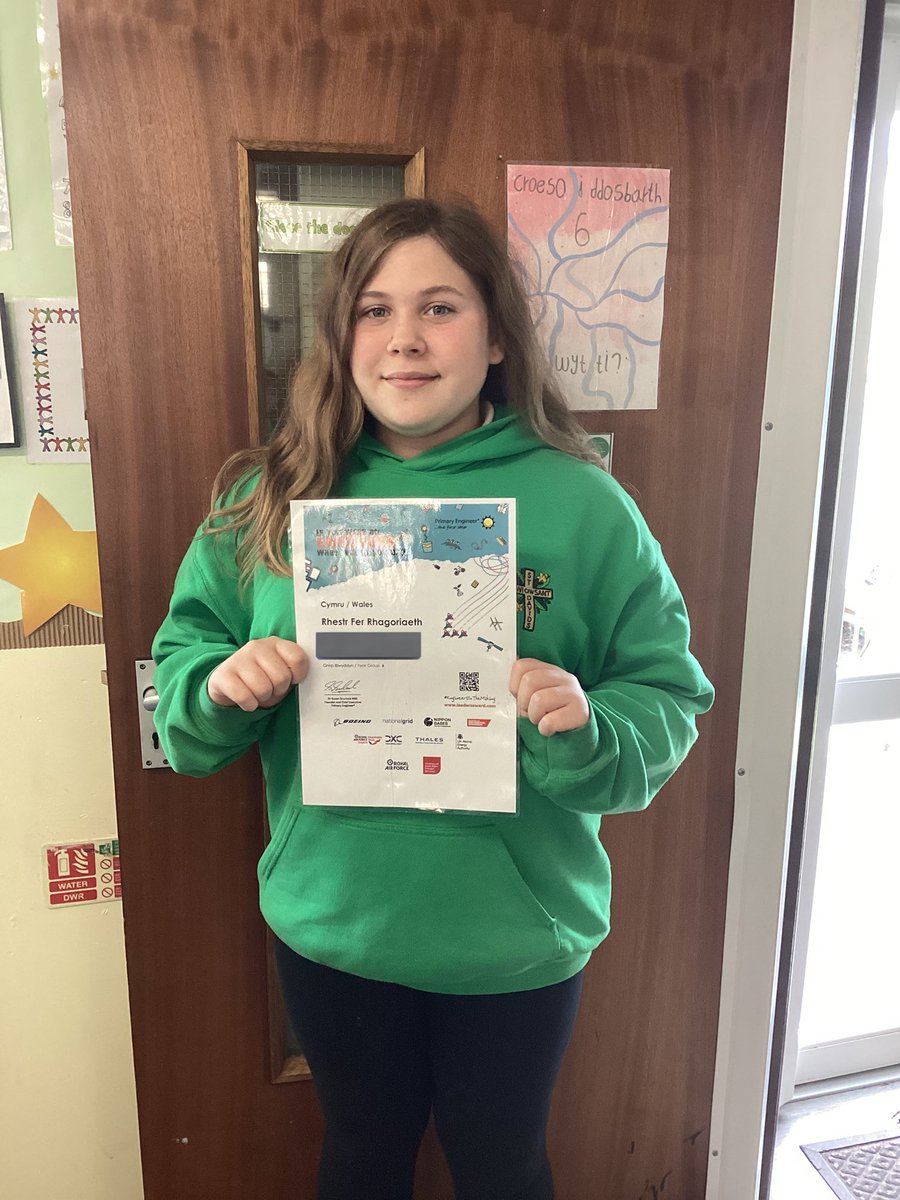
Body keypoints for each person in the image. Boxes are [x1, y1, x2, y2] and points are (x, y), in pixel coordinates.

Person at [152, 197, 715, 1200]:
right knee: (361, 1158)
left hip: (514, 933)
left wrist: (587, 727)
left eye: (440, 308)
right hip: (336, 920)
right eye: (374, 310)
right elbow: (184, 674)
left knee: (502, 1169)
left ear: (496, 337)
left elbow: (668, 693)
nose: (404, 338)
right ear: (342, 337)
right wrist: (219, 686)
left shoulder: (585, 505)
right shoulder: (269, 498)